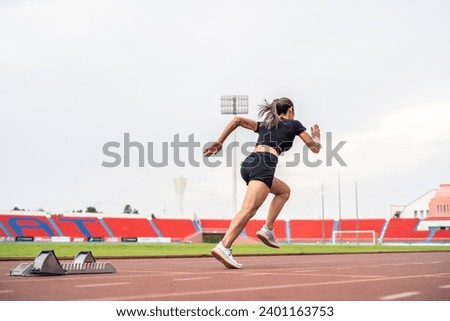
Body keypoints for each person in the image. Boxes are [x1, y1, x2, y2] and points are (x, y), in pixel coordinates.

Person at [204, 97, 321, 269]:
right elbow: (314, 148)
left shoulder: (266, 124)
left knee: (283, 191)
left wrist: (220, 141)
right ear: (290, 110)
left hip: (249, 163)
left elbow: (237, 120)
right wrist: (316, 137)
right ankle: (224, 245)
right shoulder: (294, 124)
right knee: (248, 209)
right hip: (264, 164)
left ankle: (268, 229)